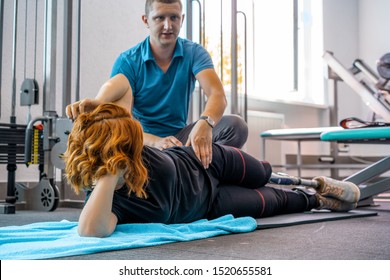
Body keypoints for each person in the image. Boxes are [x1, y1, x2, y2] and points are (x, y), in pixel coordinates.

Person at [63, 103, 360, 238]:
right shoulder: (104, 201)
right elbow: (90, 230)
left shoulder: (130, 143)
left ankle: (309, 180)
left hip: (205, 160)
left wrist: (95, 108)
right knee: (272, 202)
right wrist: (110, 176)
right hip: (210, 206)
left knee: (261, 175)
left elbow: (118, 120)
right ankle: (316, 199)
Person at [66, 0, 248, 169]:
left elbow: (217, 95)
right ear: (146, 20)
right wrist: (155, 142)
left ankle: (187, 170)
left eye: (174, 18)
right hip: (142, 142)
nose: (168, 26)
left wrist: (205, 122)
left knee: (236, 126)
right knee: (120, 143)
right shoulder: (128, 61)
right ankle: (186, 170)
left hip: (180, 141)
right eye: (160, 18)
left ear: (182, 19)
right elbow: (117, 114)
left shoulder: (194, 53)